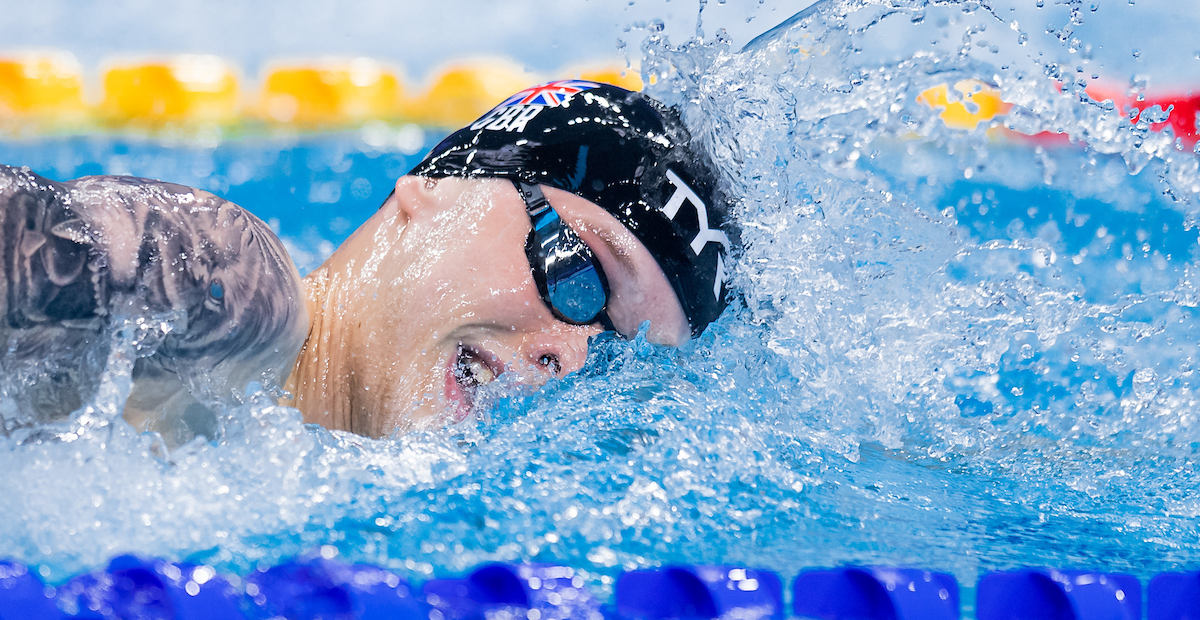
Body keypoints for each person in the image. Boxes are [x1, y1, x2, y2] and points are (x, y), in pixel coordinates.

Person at [0, 80, 734, 445]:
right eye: (579, 276)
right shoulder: (231, 287)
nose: (568, 356)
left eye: (613, 357)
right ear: (439, 189)